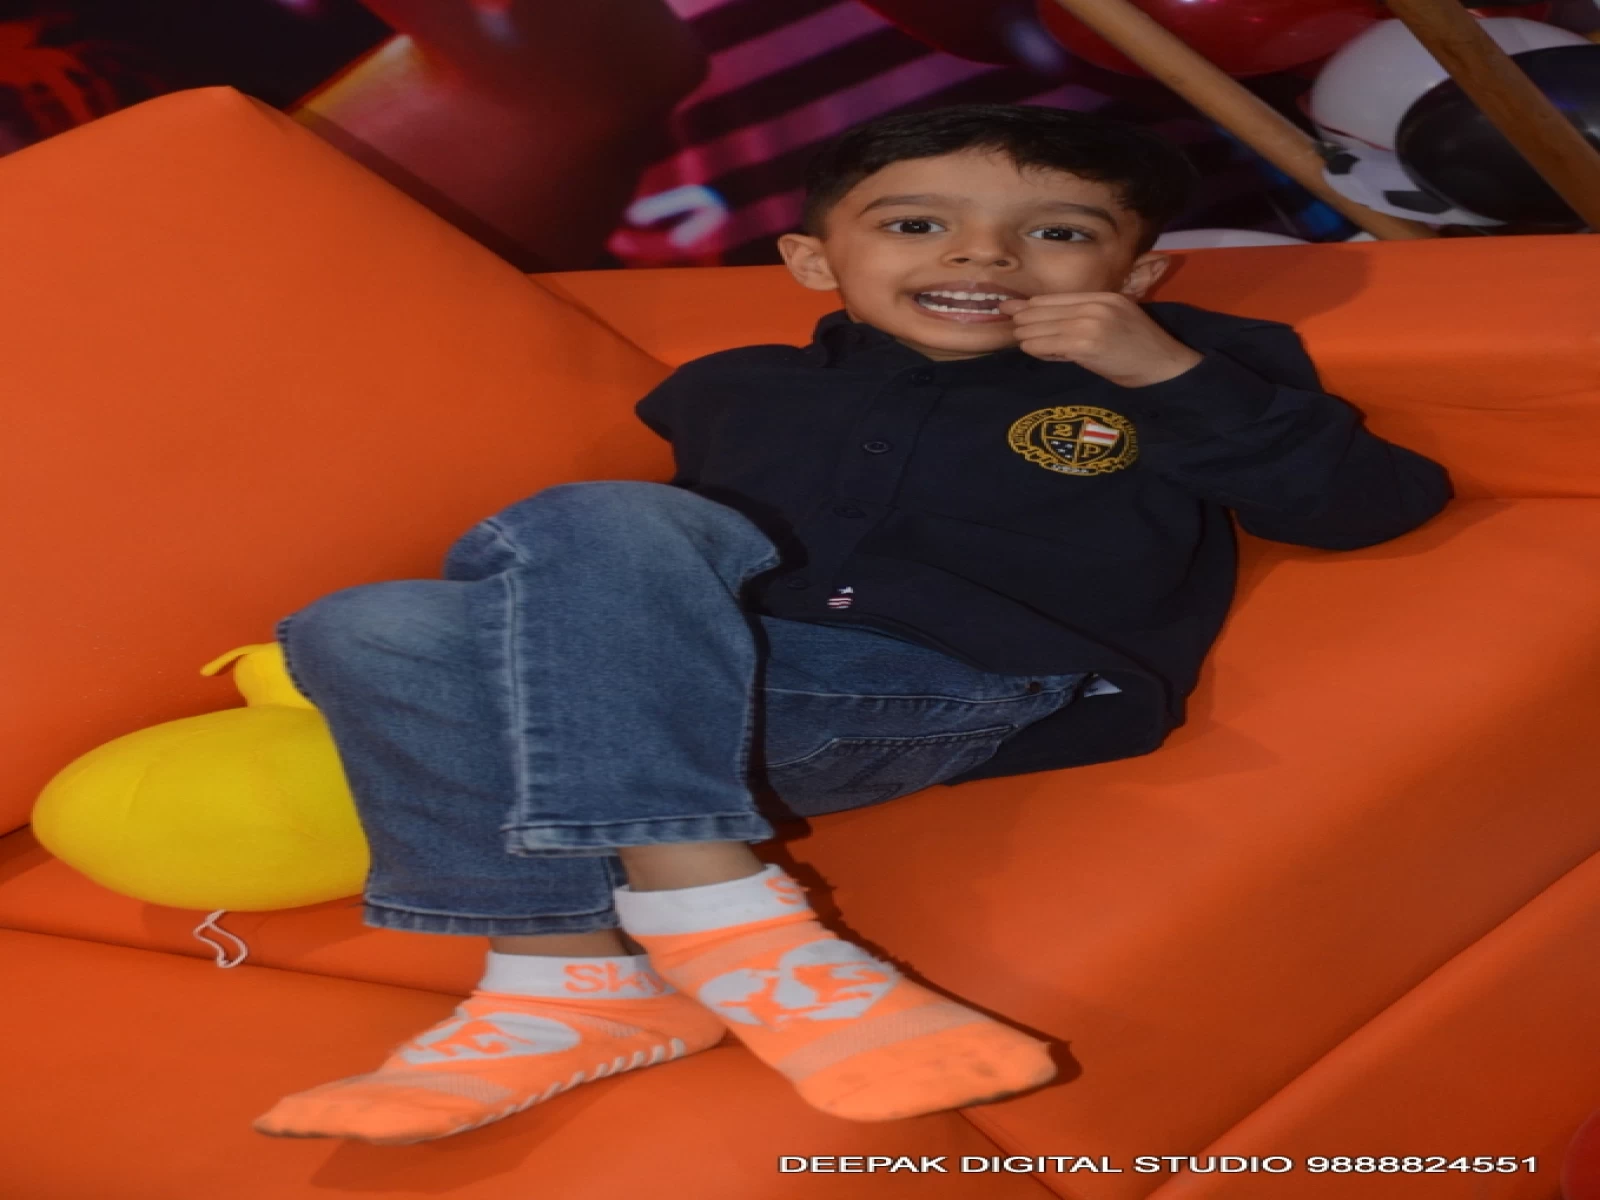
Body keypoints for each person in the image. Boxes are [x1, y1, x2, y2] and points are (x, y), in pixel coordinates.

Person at [253, 103, 1452, 1146]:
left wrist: (1165, 377)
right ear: (816, 261)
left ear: (1135, 275)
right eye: (916, 223)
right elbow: (631, 592)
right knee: (363, 625)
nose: (986, 253)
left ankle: (710, 923)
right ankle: (566, 982)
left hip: (973, 685)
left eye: (1060, 233)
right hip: (721, 700)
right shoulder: (734, 389)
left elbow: (1369, 509)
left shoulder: (1181, 368)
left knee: (596, 522)